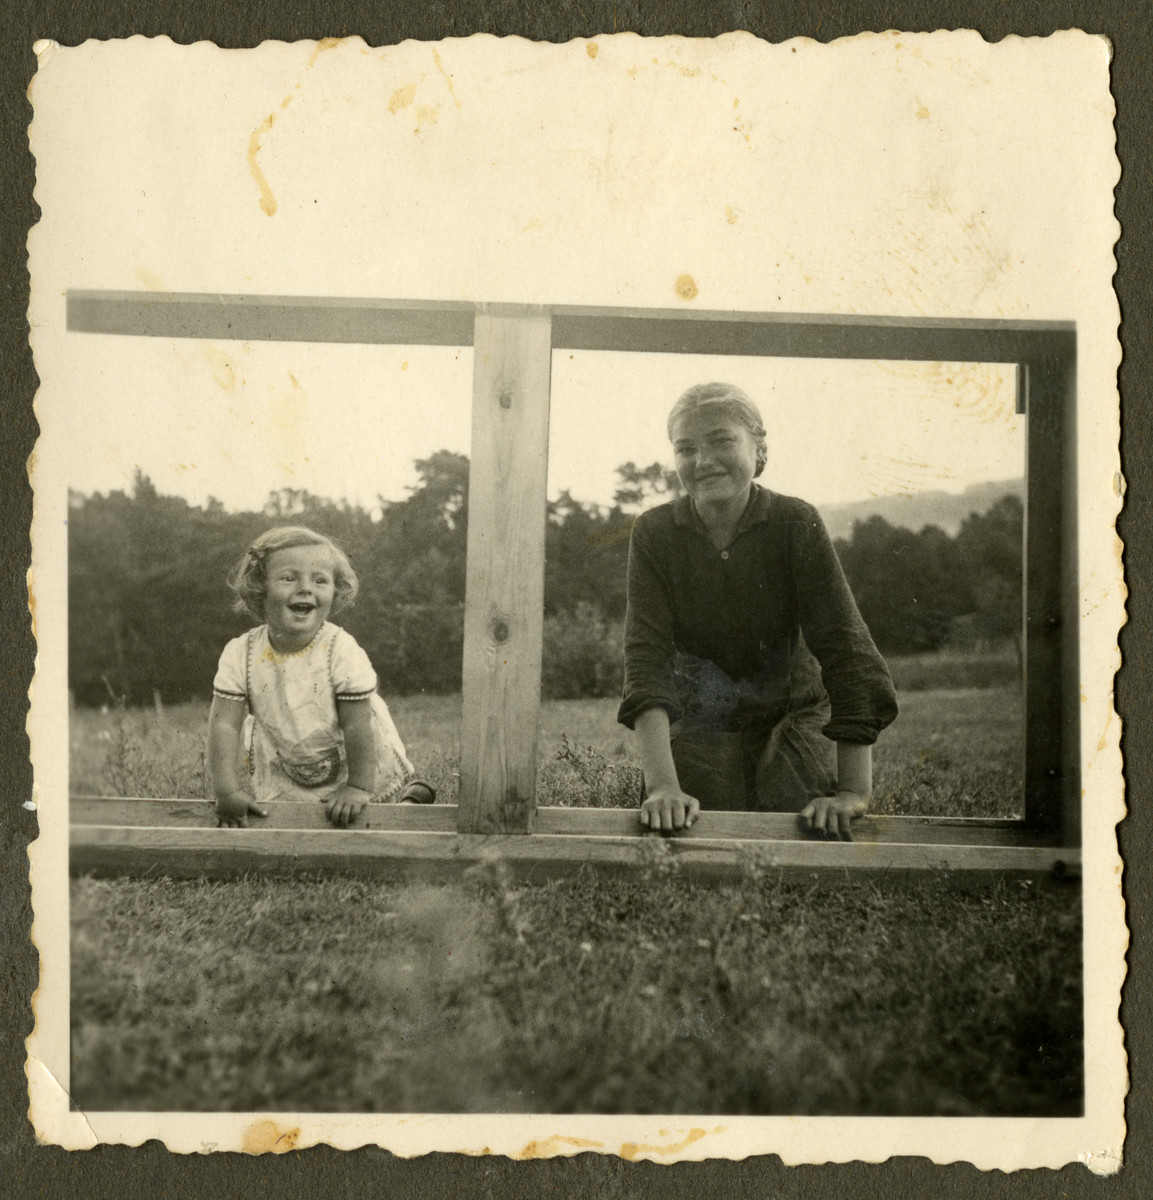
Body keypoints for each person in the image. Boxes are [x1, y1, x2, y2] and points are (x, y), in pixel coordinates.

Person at [619, 382, 898, 840]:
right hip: (703, 715)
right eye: (685, 448)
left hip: (794, 711)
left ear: (759, 447)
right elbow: (645, 660)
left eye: (722, 441)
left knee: (801, 817)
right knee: (689, 822)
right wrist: (663, 787)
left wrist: (853, 792)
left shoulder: (796, 523)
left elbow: (847, 649)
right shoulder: (654, 533)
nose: (703, 460)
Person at [208, 525, 435, 828]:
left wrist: (358, 786)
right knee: (299, 817)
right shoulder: (241, 653)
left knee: (369, 814)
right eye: (289, 578)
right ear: (260, 588)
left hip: (352, 755)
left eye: (320, 580)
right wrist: (226, 791)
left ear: (334, 591)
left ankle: (411, 800)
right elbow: (224, 724)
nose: (306, 588)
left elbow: (357, 723)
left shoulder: (340, 649)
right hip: (289, 753)